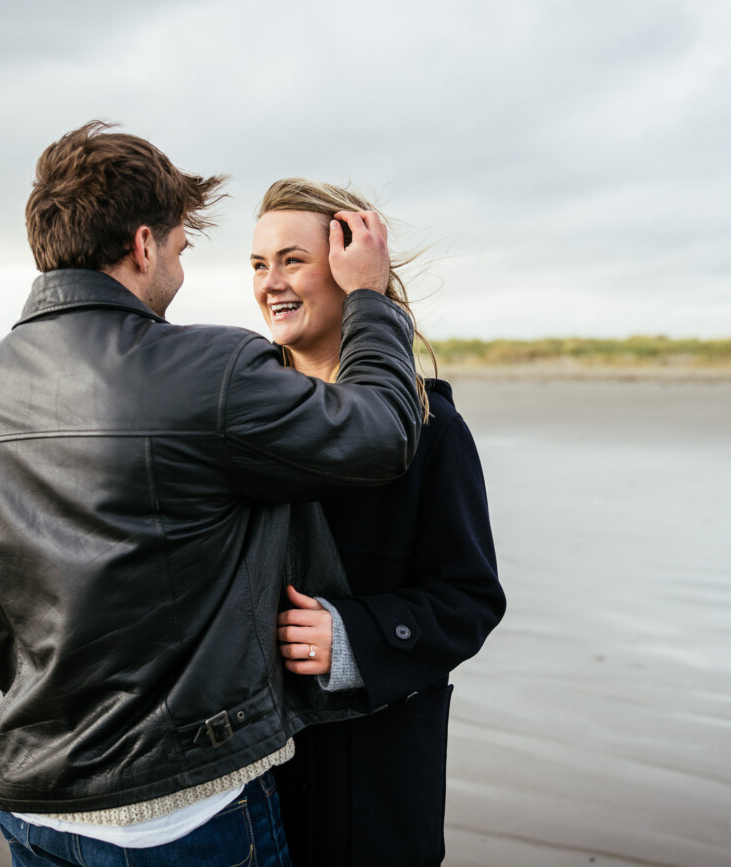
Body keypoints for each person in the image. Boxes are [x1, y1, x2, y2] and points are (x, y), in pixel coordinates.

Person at [0, 123, 424, 865]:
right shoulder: (206, 369)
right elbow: (382, 433)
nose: (183, 273)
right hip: (182, 814)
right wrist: (371, 300)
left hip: (36, 807)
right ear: (145, 244)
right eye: (185, 249)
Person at [250, 178, 507, 866]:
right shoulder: (232, 421)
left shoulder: (433, 429)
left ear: (351, 270)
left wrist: (352, 637)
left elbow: (471, 599)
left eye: (292, 260)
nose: (271, 283)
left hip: (373, 789)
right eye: (257, 264)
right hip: (244, 794)